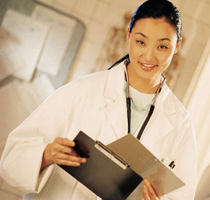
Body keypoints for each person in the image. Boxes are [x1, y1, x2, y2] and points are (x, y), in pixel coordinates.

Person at [0, 0, 197, 199]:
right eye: (141, 42)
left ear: (177, 46)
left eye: (162, 46)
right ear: (128, 35)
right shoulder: (81, 91)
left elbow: (183, 195)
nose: (148, 56)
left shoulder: (181, 123)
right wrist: (46, 154)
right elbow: (12, 159)